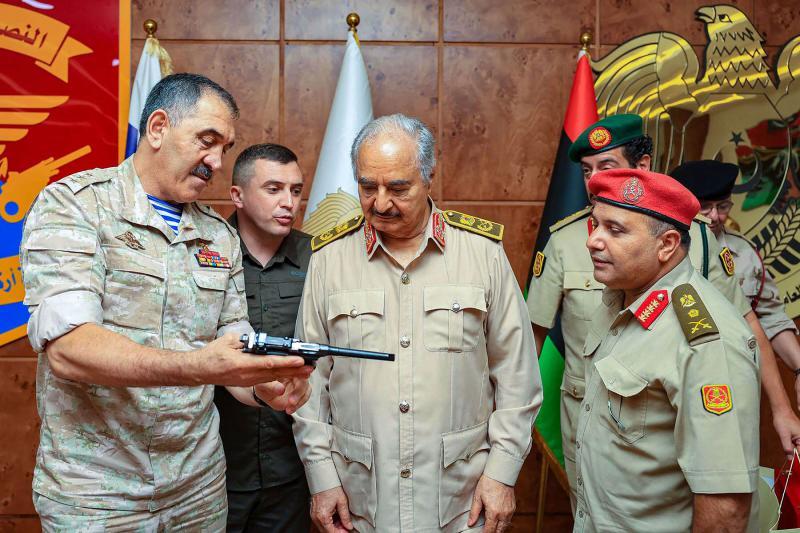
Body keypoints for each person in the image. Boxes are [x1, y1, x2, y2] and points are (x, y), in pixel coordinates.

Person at [20, 73, 313, 530]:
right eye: (206, 141)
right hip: (97, 496)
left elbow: (233, 343)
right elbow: (69, 349)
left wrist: (263, 384)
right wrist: (199, 366)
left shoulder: (218, 235)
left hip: (198, 490)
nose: (216, 161)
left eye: (224, 148)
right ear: (158, 127)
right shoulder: (75, 206)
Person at [527, 114, 800, 504]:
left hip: (669, 425)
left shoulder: (695, 238)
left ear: (642, 166)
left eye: (607, 166)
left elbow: (745, 325)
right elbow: (532, 339)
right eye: (587, 170)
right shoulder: (566, 240)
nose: (593, 180)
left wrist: (781, 408)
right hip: (588, 419)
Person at [291, 114, 542, 533]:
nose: (380, 203)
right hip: (361, 500)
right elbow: (309, 383)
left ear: (429, 177)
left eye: (398, 188)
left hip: (462, 500)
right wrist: (321, 477)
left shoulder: (482, 254)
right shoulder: (329, 260)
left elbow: (517, 376)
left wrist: (502, 473)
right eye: (367, 187)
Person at [575, 167, 759, 532]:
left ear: (667, 245)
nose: (593, 241)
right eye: (595, 224)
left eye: (615, 230)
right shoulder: (621, 298)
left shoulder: (706, 342)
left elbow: (724, 508)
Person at [214, 143, 312, 532]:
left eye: (296, 190)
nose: (289, 202)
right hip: (214, 471)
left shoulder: (318, 258)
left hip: (291, 470)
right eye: (273, 189)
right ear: (237, 195)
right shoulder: (203, 253)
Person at [672, 159, 800, 404]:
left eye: (722, 206)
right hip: (676, 383)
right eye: (704, 207)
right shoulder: (661, 251)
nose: (715, 217)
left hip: (734, 383)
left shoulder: (744, 253)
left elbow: (771, 318)